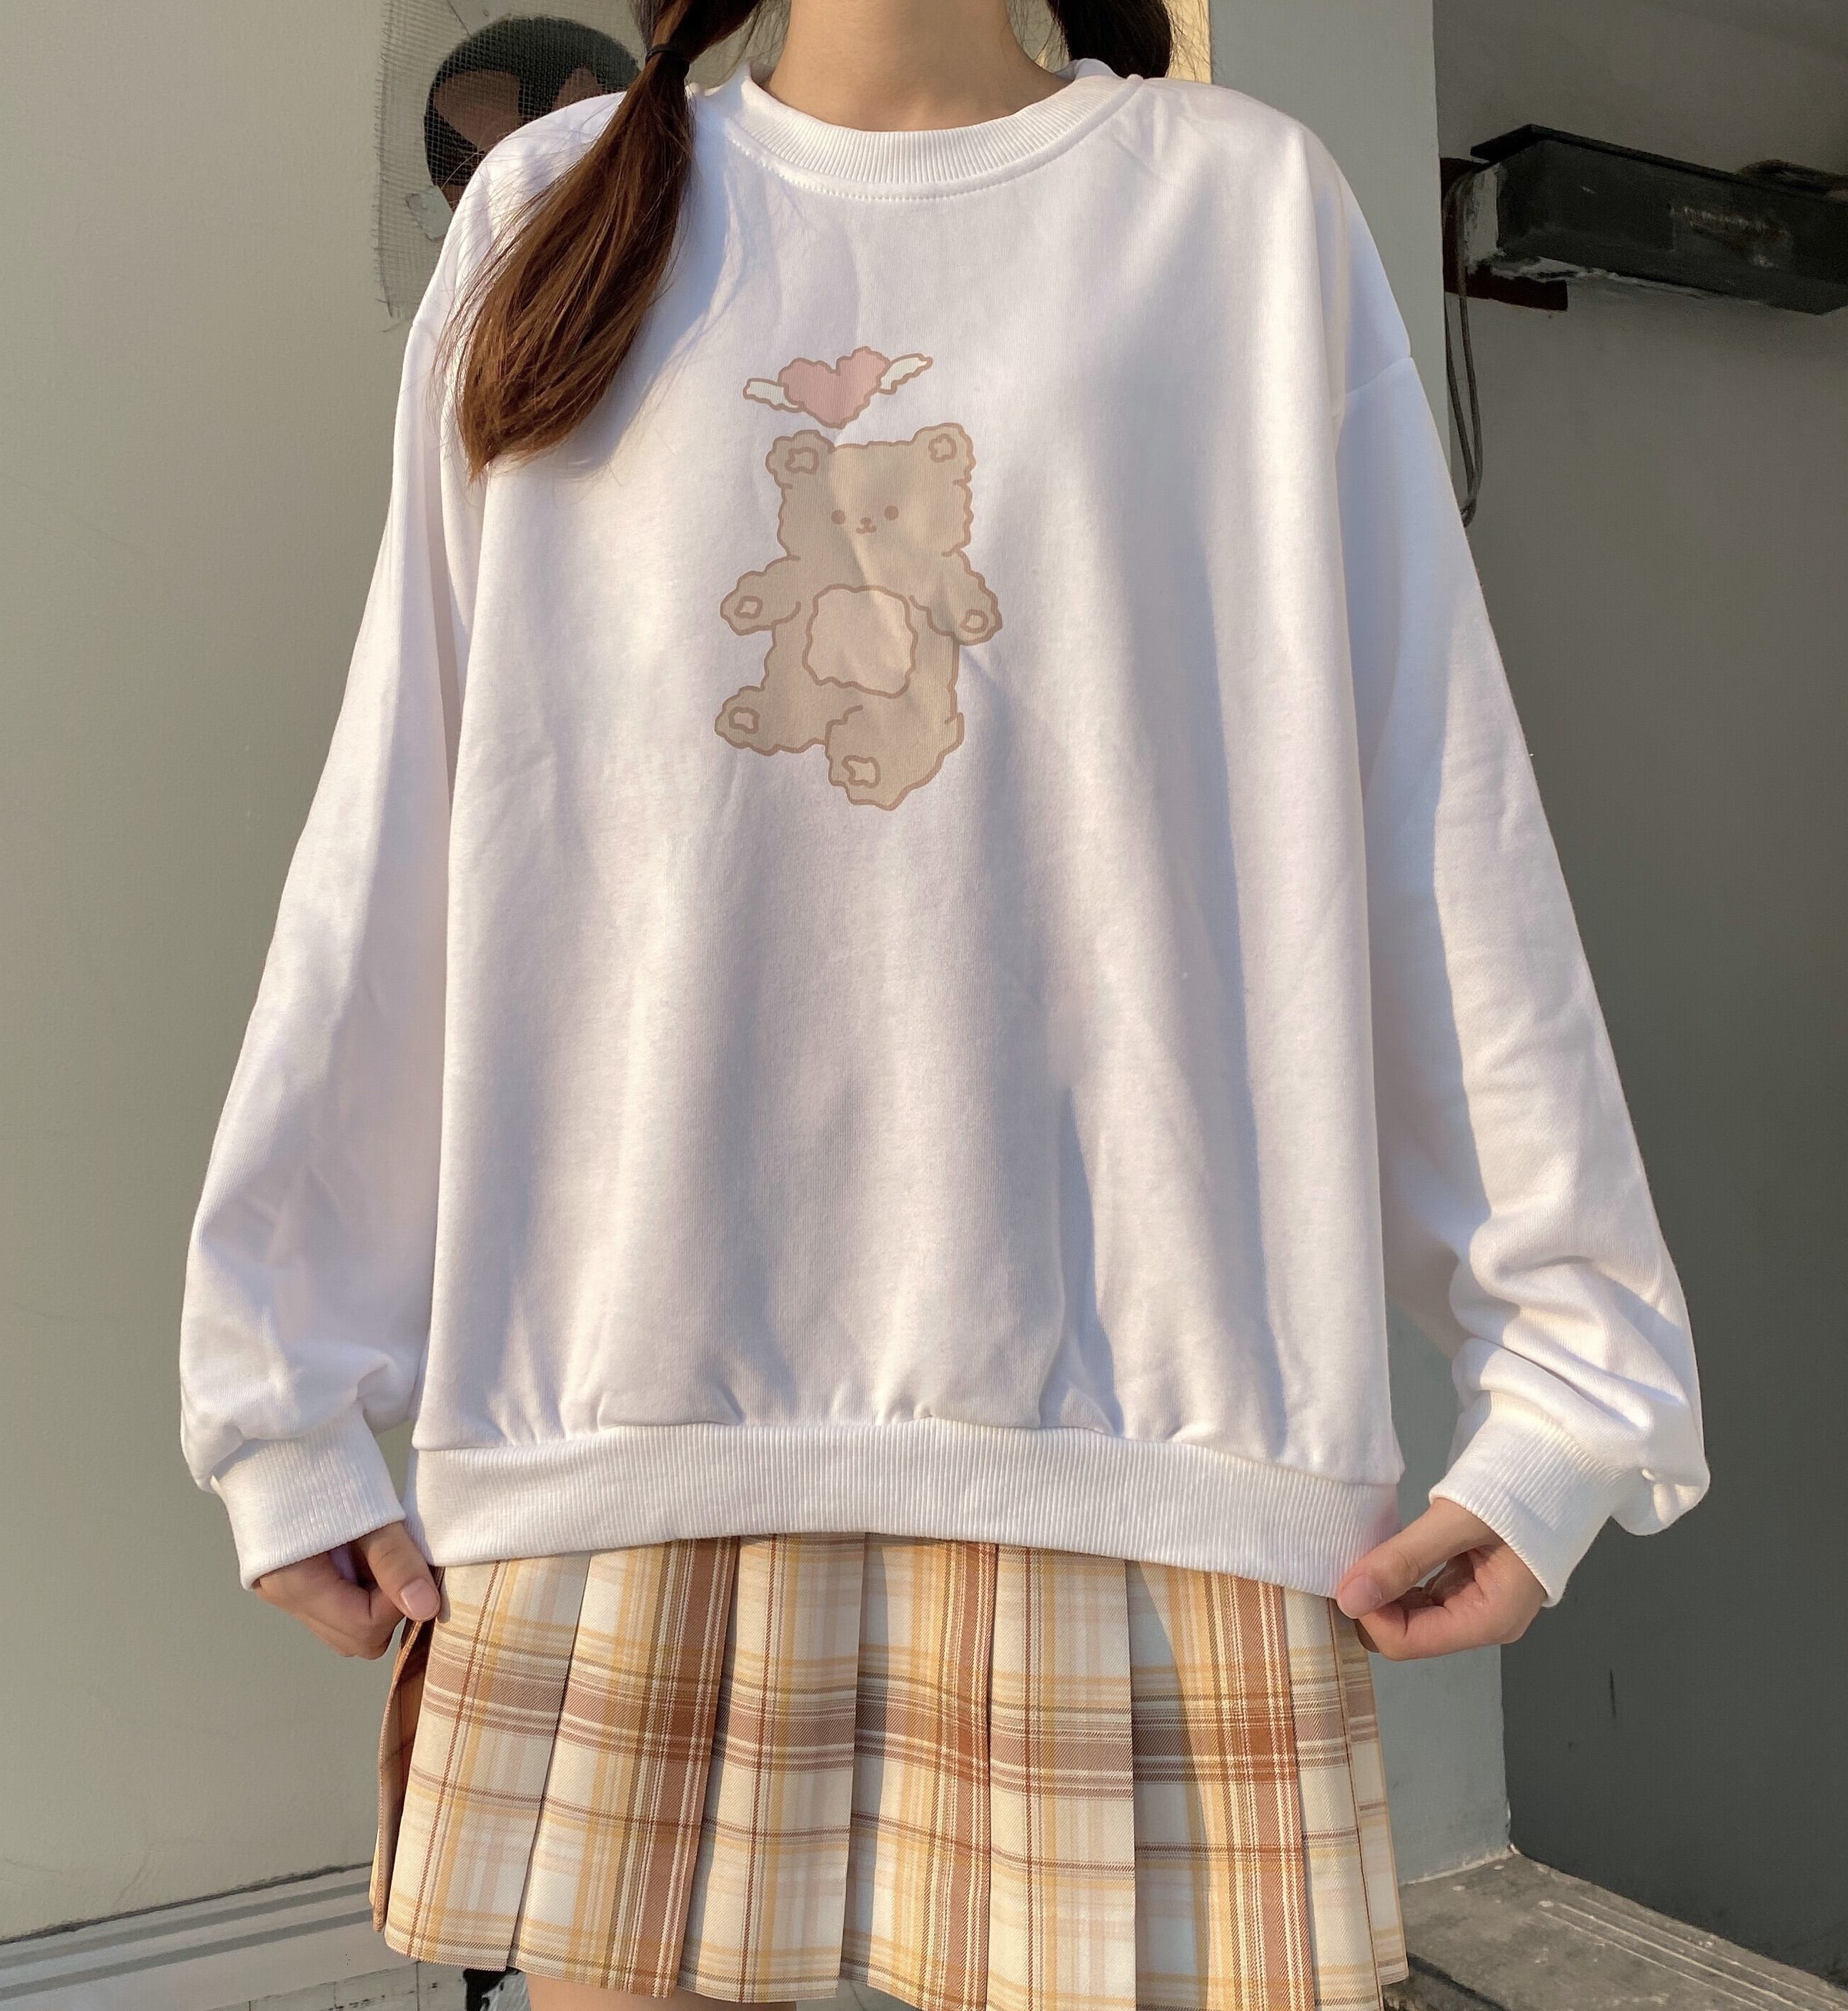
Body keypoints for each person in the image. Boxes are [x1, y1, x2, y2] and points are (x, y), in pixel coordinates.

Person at [177, 3, 1712, 2007]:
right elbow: (410, 808)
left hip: (1142, 1438)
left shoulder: (1234, 212)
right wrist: (282, 1384)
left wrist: (1571, 1378)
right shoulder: (554, 216)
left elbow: (1430, 799)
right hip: (628, 1426)